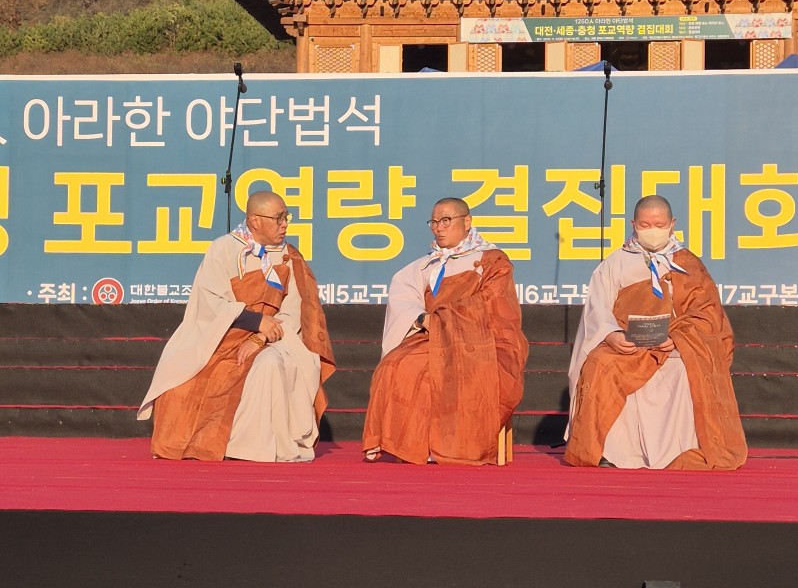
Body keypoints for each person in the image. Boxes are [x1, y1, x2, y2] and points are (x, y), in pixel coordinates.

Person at [139, 190, 334, 462]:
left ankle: (250, 448)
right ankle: (193, 445)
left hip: (275, 340)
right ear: (254, 221)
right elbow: (211, 301)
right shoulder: (224, 249)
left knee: (268, 365)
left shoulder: (289, 257)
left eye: (286, 217)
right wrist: (256, 322)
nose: (284, 225)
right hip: (221, 336)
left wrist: (260, 337)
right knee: (179, 386)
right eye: (278, 218)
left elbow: (293, 311)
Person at [565, 195, 746, 470]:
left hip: (675, 346)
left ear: (672, 224)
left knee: (689, 367)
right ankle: (610, 452)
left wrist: (678, 339)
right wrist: (612, 335)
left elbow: (707, 314)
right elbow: (597, 309)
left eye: (659, 225)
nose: (652, 231)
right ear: (633, 224)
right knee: (599, 364)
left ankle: (682, 449)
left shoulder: (688, 264)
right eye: (645, 225)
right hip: (627, 345)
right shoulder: (616, 263)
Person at [362, 197, 528, 465]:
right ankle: (410, 444)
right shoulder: (425, 265)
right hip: (434, 338)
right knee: (394, 365)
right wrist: (422, 319)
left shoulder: (492, 261)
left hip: (484, 342)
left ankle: (444, 445)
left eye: (446, 221)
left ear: (467, 222)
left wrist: (442, 319)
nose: (439, 227)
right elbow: (404, 299)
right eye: (434, 222)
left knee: (439, 370)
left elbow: (491, 303)